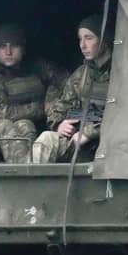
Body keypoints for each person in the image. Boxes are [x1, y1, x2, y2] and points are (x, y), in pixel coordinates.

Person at [0, 23, 68, 163]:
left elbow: (67, 82)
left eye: (14, 46)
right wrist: (42, 107)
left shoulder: (37, 66)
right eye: (2, 47)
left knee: (26, 125)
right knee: (13, 125)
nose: (8, 52)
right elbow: (2, 113)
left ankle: (28, 165)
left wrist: (53, 96)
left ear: (23, 49)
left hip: (29, 129)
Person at [32, 14, 112, 163]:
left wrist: (89, 132)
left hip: (113, 148)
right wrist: (59, 124)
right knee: (46, 140)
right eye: (80, 39)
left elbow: (125, 114)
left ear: (104, 39)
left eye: (89, 38)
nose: (82, 45)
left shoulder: (122, 73)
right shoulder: (81, 74)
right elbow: (59, 109)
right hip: (83, 147)